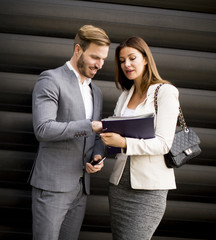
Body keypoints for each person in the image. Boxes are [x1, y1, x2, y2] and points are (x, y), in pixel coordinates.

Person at [29, 25, 110, 240]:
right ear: (78, 50)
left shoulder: (97, 91)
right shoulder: (50, 79)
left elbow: (95, 137)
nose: (99, 64)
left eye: (103, 59)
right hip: (52, 188)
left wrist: (98, 155)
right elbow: (43, 129)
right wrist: (89, 125)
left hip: (81, 189)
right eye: (95, 57)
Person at [99, 36, 180, 239]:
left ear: (145, 58)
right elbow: (116, 135)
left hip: (149, 189)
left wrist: (124, 143)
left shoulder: (165, 92)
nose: (127, 64)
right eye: (122, 60)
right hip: (119, 185)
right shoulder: (125, 95)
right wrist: (103, 133)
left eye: (132, 58)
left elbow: (163, 143)